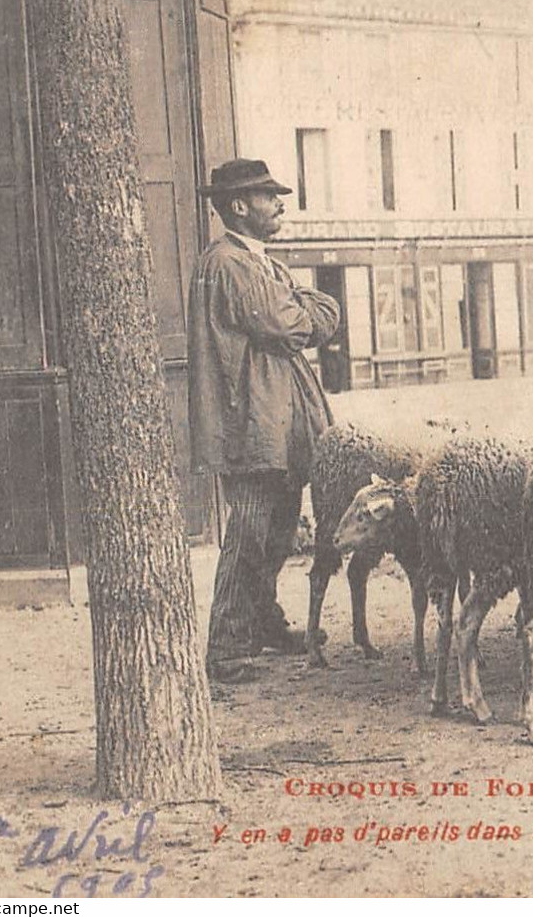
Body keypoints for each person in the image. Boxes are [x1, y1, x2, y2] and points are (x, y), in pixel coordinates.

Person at [188, 158, 340, 684]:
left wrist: (304, 305)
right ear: (238, 206)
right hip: (251, 425)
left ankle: (262, 623)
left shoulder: (257, 262)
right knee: (250, 533)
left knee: (278, 532)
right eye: (268, 196)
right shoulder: (230, 263)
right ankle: (226, 648)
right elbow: (289, 323)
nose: (279, 203)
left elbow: (303, 313)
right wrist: (307, 306)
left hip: (274, 424)